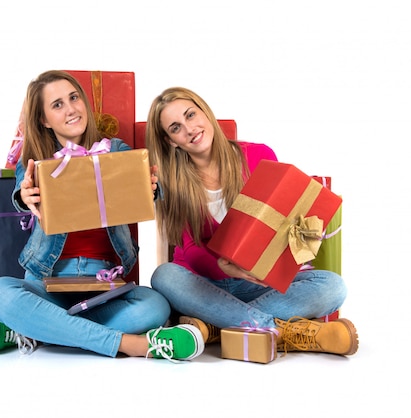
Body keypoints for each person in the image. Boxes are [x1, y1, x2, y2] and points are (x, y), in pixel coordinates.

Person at [0, 71, 204, 361]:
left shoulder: (117, 149)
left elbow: (149, 185)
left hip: (103, 288)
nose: (71, 108)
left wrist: (149, 187)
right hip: (45, 282)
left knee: (155, 307)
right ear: (44, 120)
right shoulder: (35, 160)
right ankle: (131, 344)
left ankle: (34, 329)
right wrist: (25, 196)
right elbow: (23, 192)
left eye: (74, 98)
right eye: (57, 105)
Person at [145, 86, 358, 356]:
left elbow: (280, 220)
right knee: (164, 276)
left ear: (206, 113)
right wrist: (226, 265)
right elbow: (188, 249)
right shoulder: (172, 180)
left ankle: (216, 327)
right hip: (205, 286)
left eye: (191, 115)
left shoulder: (258, 155)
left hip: (257, 284)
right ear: (171, 141)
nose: (189, 128)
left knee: (332, 287)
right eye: (175, 128)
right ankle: (284, 331)